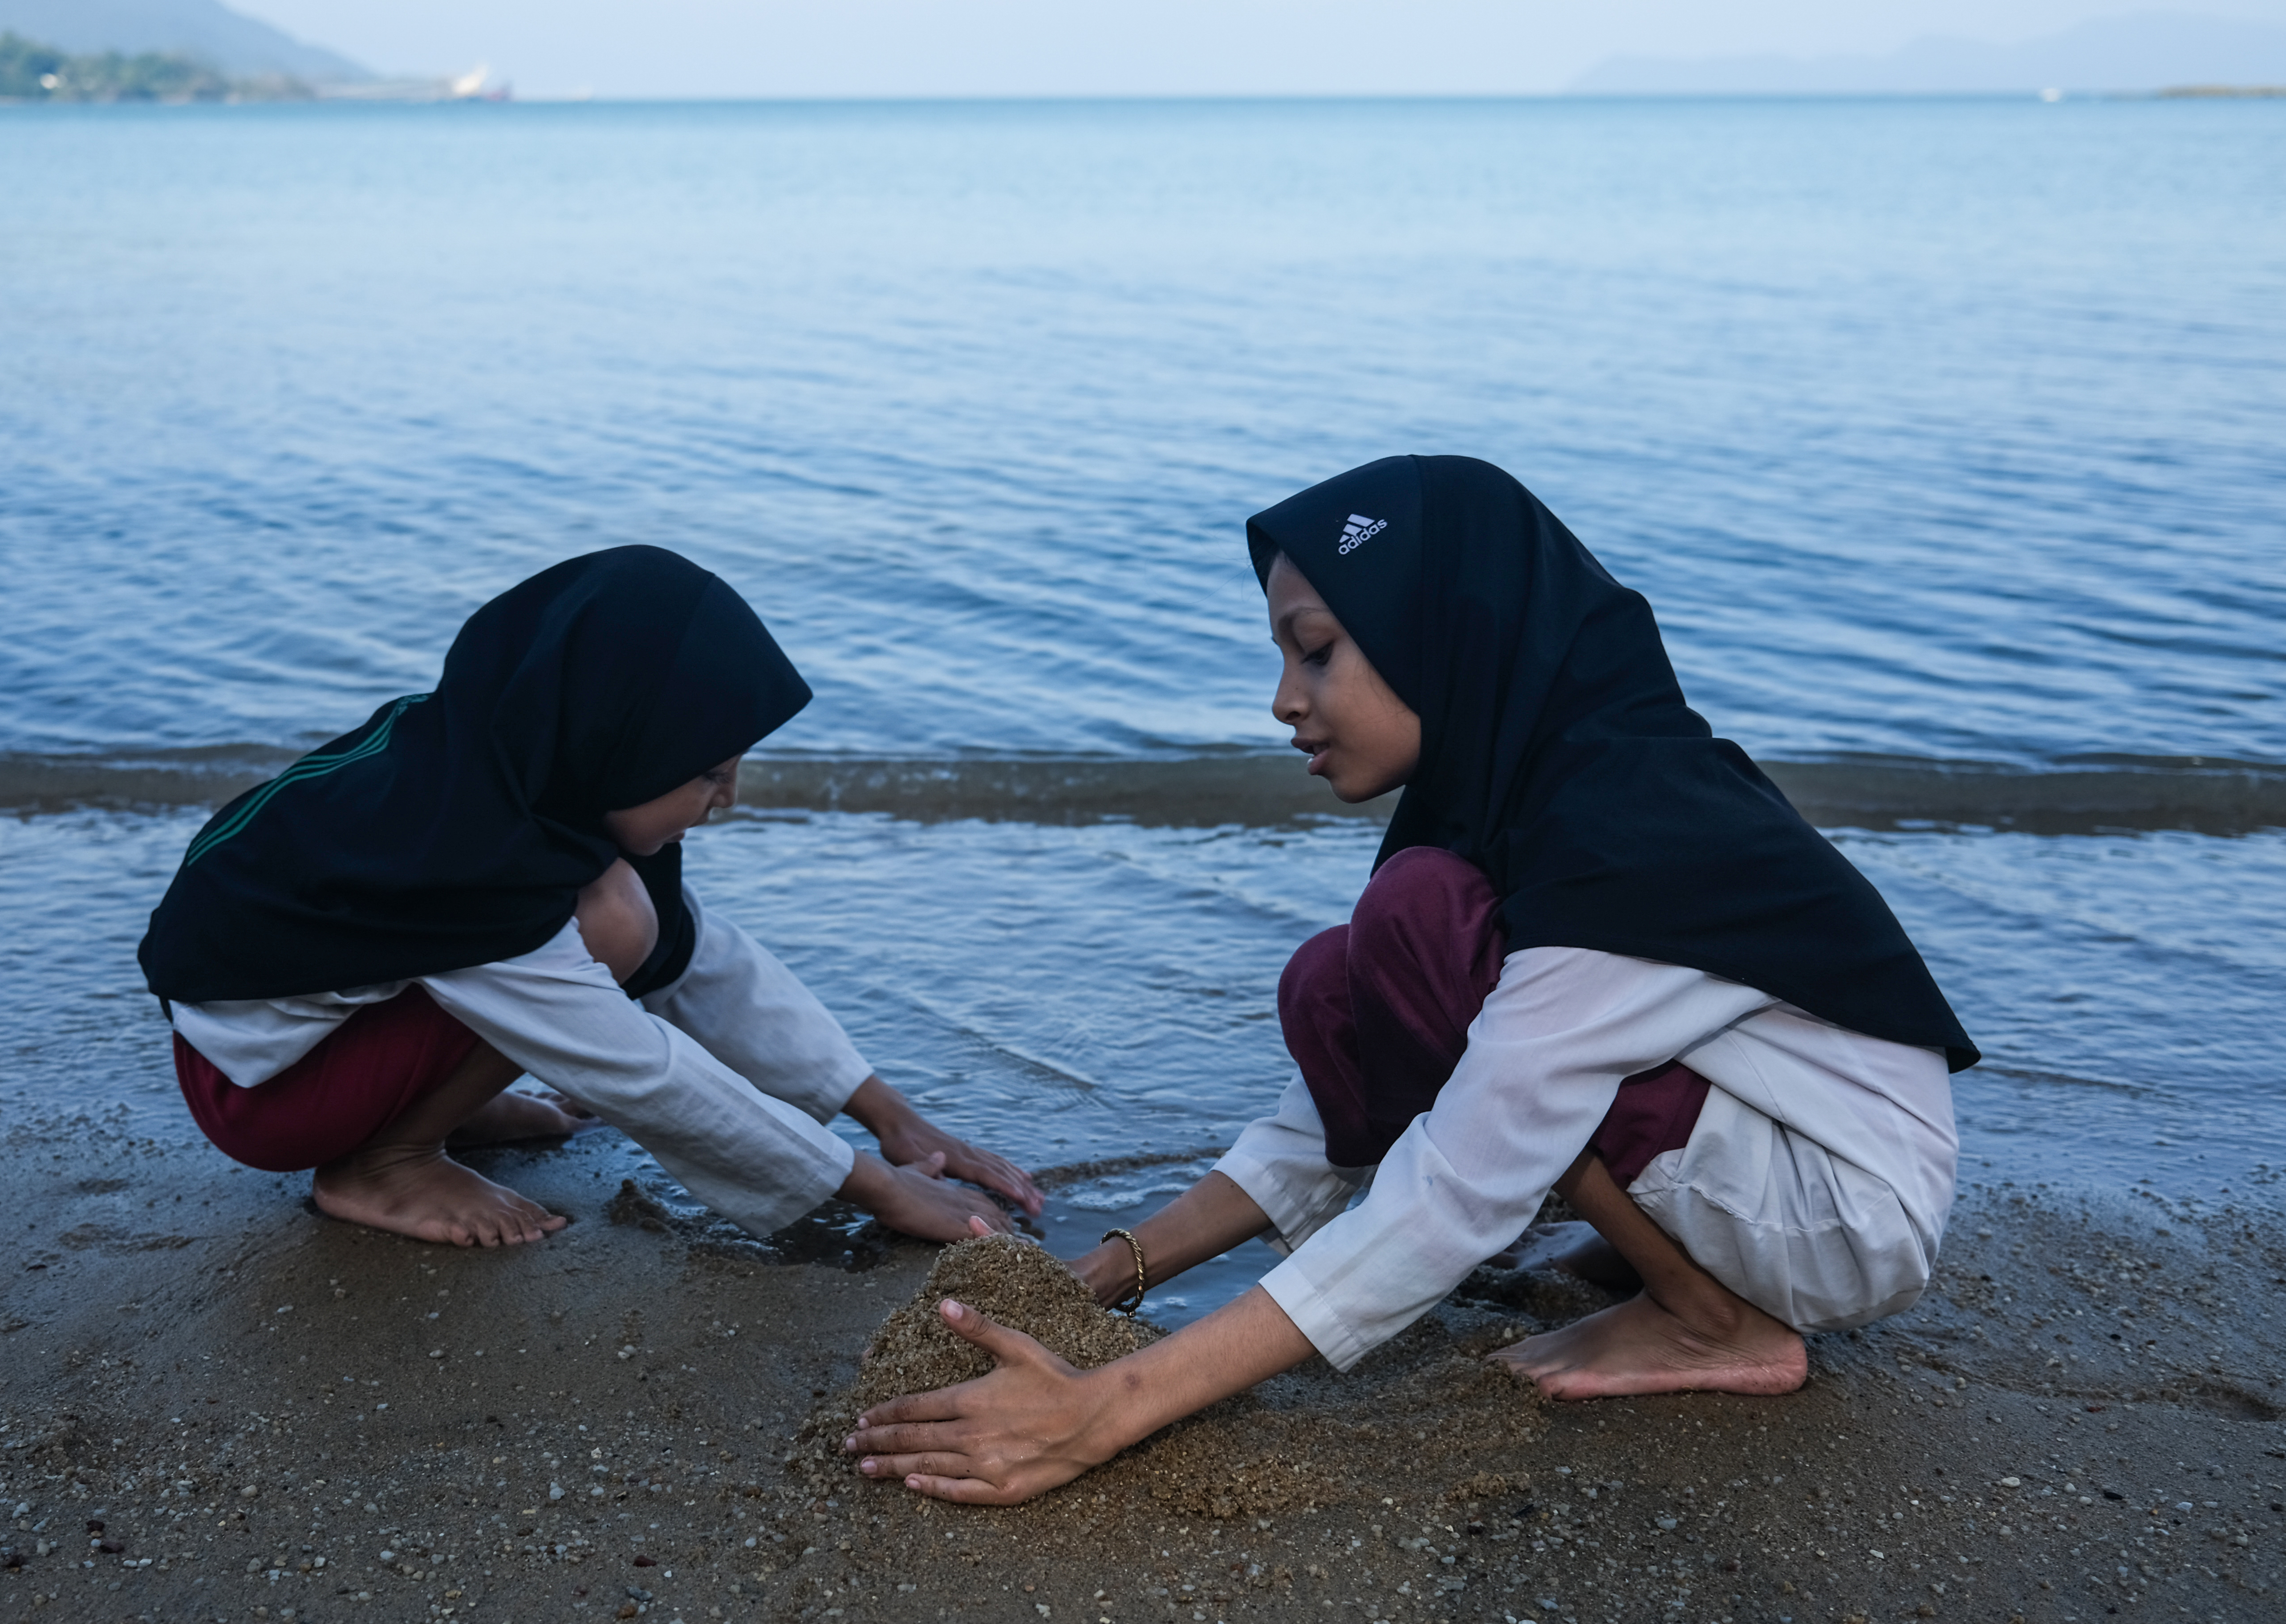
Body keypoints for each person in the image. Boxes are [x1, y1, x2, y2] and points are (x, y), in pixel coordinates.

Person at [846, 455, 1972, 1505]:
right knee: (1337, 983)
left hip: (1834, 1214)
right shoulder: (1521, 789)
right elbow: (1336, 1108)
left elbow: (1458, 1180)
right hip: (1752, 1159)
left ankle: (1711, 1319)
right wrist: (1106, 1274)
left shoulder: (1626, 831)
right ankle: (1663, 1266)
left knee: (1417, 931)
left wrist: (1109, 1406)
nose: (1284, 700)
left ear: (1443, 639)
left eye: (1318, 651)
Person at [138, 545, 1042, 1250]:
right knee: (610, 921)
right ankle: (385, 1161)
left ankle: (439, 1111)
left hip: (314, 1035)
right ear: (618, 744)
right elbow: (637, 1069)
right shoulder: (475, 858)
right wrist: (877, 1187)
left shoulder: (514, 765)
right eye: (708, 773)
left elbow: (701, 959)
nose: (728, 798)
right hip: (263, 1093)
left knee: (628, 915)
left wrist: (891, 1117)